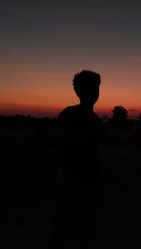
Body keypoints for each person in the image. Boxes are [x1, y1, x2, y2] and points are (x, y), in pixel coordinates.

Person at [53, 70, 102, 248]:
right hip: (71, 179)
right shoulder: (69, 113)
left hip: (90, 179)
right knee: (67, 229)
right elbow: (60, 139)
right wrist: (94, 132)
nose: (95, 91)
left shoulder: (95, 119)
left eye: (96, 87)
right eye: (93, 87)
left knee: (85, 228)